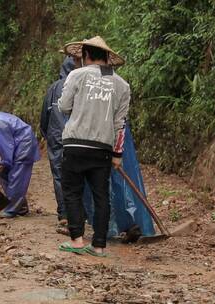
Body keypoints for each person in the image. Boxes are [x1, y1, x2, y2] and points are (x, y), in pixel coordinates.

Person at [57, 36, 130, 256]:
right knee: (101, 196)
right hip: (103, 148)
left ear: (85, 55)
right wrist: (117, 154)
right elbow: (120, 124)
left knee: (72, 191)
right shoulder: (121, 84)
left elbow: (63, 106)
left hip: (75, 144)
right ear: (108, 57)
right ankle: (98, 245)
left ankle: (77, 240)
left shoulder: (76, 75)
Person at [40, 56, 76, 224]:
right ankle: (80, 213)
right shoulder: (83, 85)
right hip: (78, 136)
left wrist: (47, 135)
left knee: (59, 175)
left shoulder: (54, 88)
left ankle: (64, 213)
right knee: (79, 174)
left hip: (56, 138)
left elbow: (44, 117)